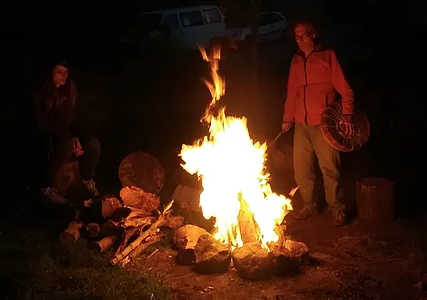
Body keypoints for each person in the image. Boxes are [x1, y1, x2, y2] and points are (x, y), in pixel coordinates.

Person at [282, 21, 355, 226]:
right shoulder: (296, 61)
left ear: (313, 34)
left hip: (324, 123)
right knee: (301, 169)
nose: (300, 40)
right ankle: (309, 204)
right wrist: (287, 118)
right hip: (300, 123)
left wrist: (347, 114)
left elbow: (346, 89)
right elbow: (291, 93)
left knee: (330, 167)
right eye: (296, 36)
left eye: (304, 35)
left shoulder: (327, 56)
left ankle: (337, 209)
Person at [34, 60, 100, 204]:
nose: (63, 76)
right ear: (51, 73)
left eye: (66, 72)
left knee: (93, 144)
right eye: (59, 72)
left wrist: (77, 137)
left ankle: (87, 179)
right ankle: (47, 188)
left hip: (68, 132)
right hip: (49, 133)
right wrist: (69, 138)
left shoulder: (70, 89)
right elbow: (42, 122)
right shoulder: (41, 93)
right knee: (62, 146)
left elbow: (73, 117)